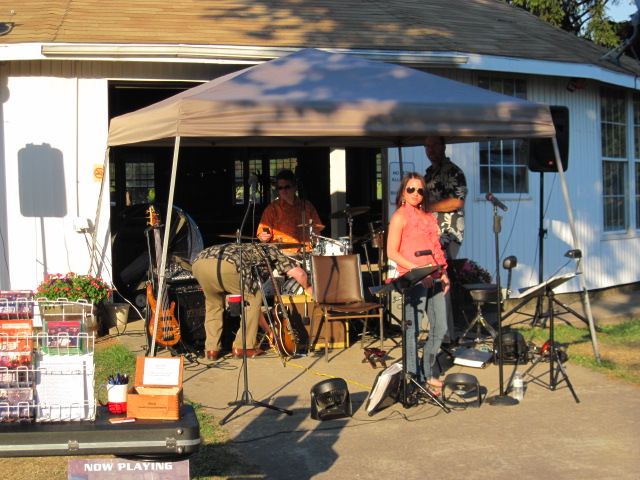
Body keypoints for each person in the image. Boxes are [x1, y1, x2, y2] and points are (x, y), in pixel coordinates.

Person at [192, 242, 312, 361]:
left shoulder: (246, 248)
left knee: (214, 305)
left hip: (199, 264)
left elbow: (254, 310)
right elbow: (299, 274)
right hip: (228, 265)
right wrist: (309, 288)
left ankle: (211, 349)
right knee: (253, 297)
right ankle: (243, 346)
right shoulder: (271, 250)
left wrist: (267, 330)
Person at [387, 172, 450, 392]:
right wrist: (419, 272)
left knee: (439, 327)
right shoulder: (400, 216)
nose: (416, 194)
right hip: (414, 279)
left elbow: (435, 249)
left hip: (433, 276)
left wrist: (443, 272)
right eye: (411, 189)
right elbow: (392, 252)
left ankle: (427, 371)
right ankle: (413, 378)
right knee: (412, 330)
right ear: (403, 192)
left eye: (420, 190)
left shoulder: (428, 217)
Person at [424, 136, 468, 344]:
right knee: (432, 282)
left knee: (443, 282)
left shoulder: (454, 172)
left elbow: (457, 201)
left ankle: (445, 336)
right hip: (429, 235)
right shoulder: (429, 173)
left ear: (443, 146)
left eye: (434, 145)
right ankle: (438, 332)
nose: (430, 149)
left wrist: (428, 207)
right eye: (427, 146)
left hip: (446, 235)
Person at [257, 169, 324, 255]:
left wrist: (316, 248)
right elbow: (263, 235)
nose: (284, 190)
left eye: (287, 187)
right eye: (280, 188)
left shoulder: (307, 206)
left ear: (295, 187)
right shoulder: (271, 209)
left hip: (306, 252)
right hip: (282, 255)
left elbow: (317, 230)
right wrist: (263, 237)